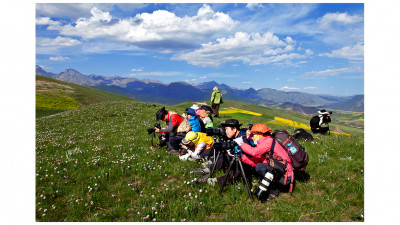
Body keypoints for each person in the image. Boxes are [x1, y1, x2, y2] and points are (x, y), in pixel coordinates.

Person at [234, 123, 294, 200]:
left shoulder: (268, 141)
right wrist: (242, 157)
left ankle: (275, 189)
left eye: (253, 135)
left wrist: (241, 144)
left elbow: (254, 152)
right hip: (279, 171)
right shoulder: (264, 143)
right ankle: (273, 187)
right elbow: (256, 162)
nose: (252, 138)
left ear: (260, 134)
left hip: (286, 175)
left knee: (260, 167)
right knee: (259, 166)